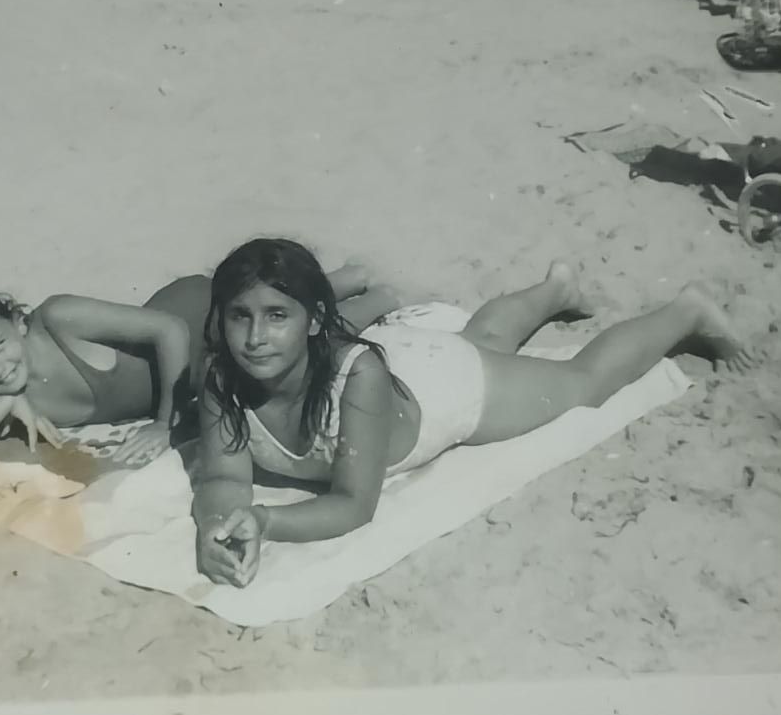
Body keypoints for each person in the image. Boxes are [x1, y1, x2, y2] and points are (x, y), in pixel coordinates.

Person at [191, 239, 750, 587]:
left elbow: (354, 505)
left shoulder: (353, 376)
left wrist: (267, 522)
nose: (256, 338)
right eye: (240, 317)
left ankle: (685, 311)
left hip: (443, 388)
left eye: (276, 316)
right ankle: (555, 291)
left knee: (580, 385)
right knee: (482, 335)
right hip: (406, 356)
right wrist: (215, 527)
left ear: (314, 320)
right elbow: (222, 475)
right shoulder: (223, 376)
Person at [0, 262, 396, 473]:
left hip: (188, 324)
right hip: (190, 361)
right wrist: (7, 401)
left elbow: (169, 332)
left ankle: (373, 295)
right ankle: (339, 281)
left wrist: (164, 424)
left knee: (287, 340)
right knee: (270, 331)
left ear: (16, 320)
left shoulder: (55, 318)